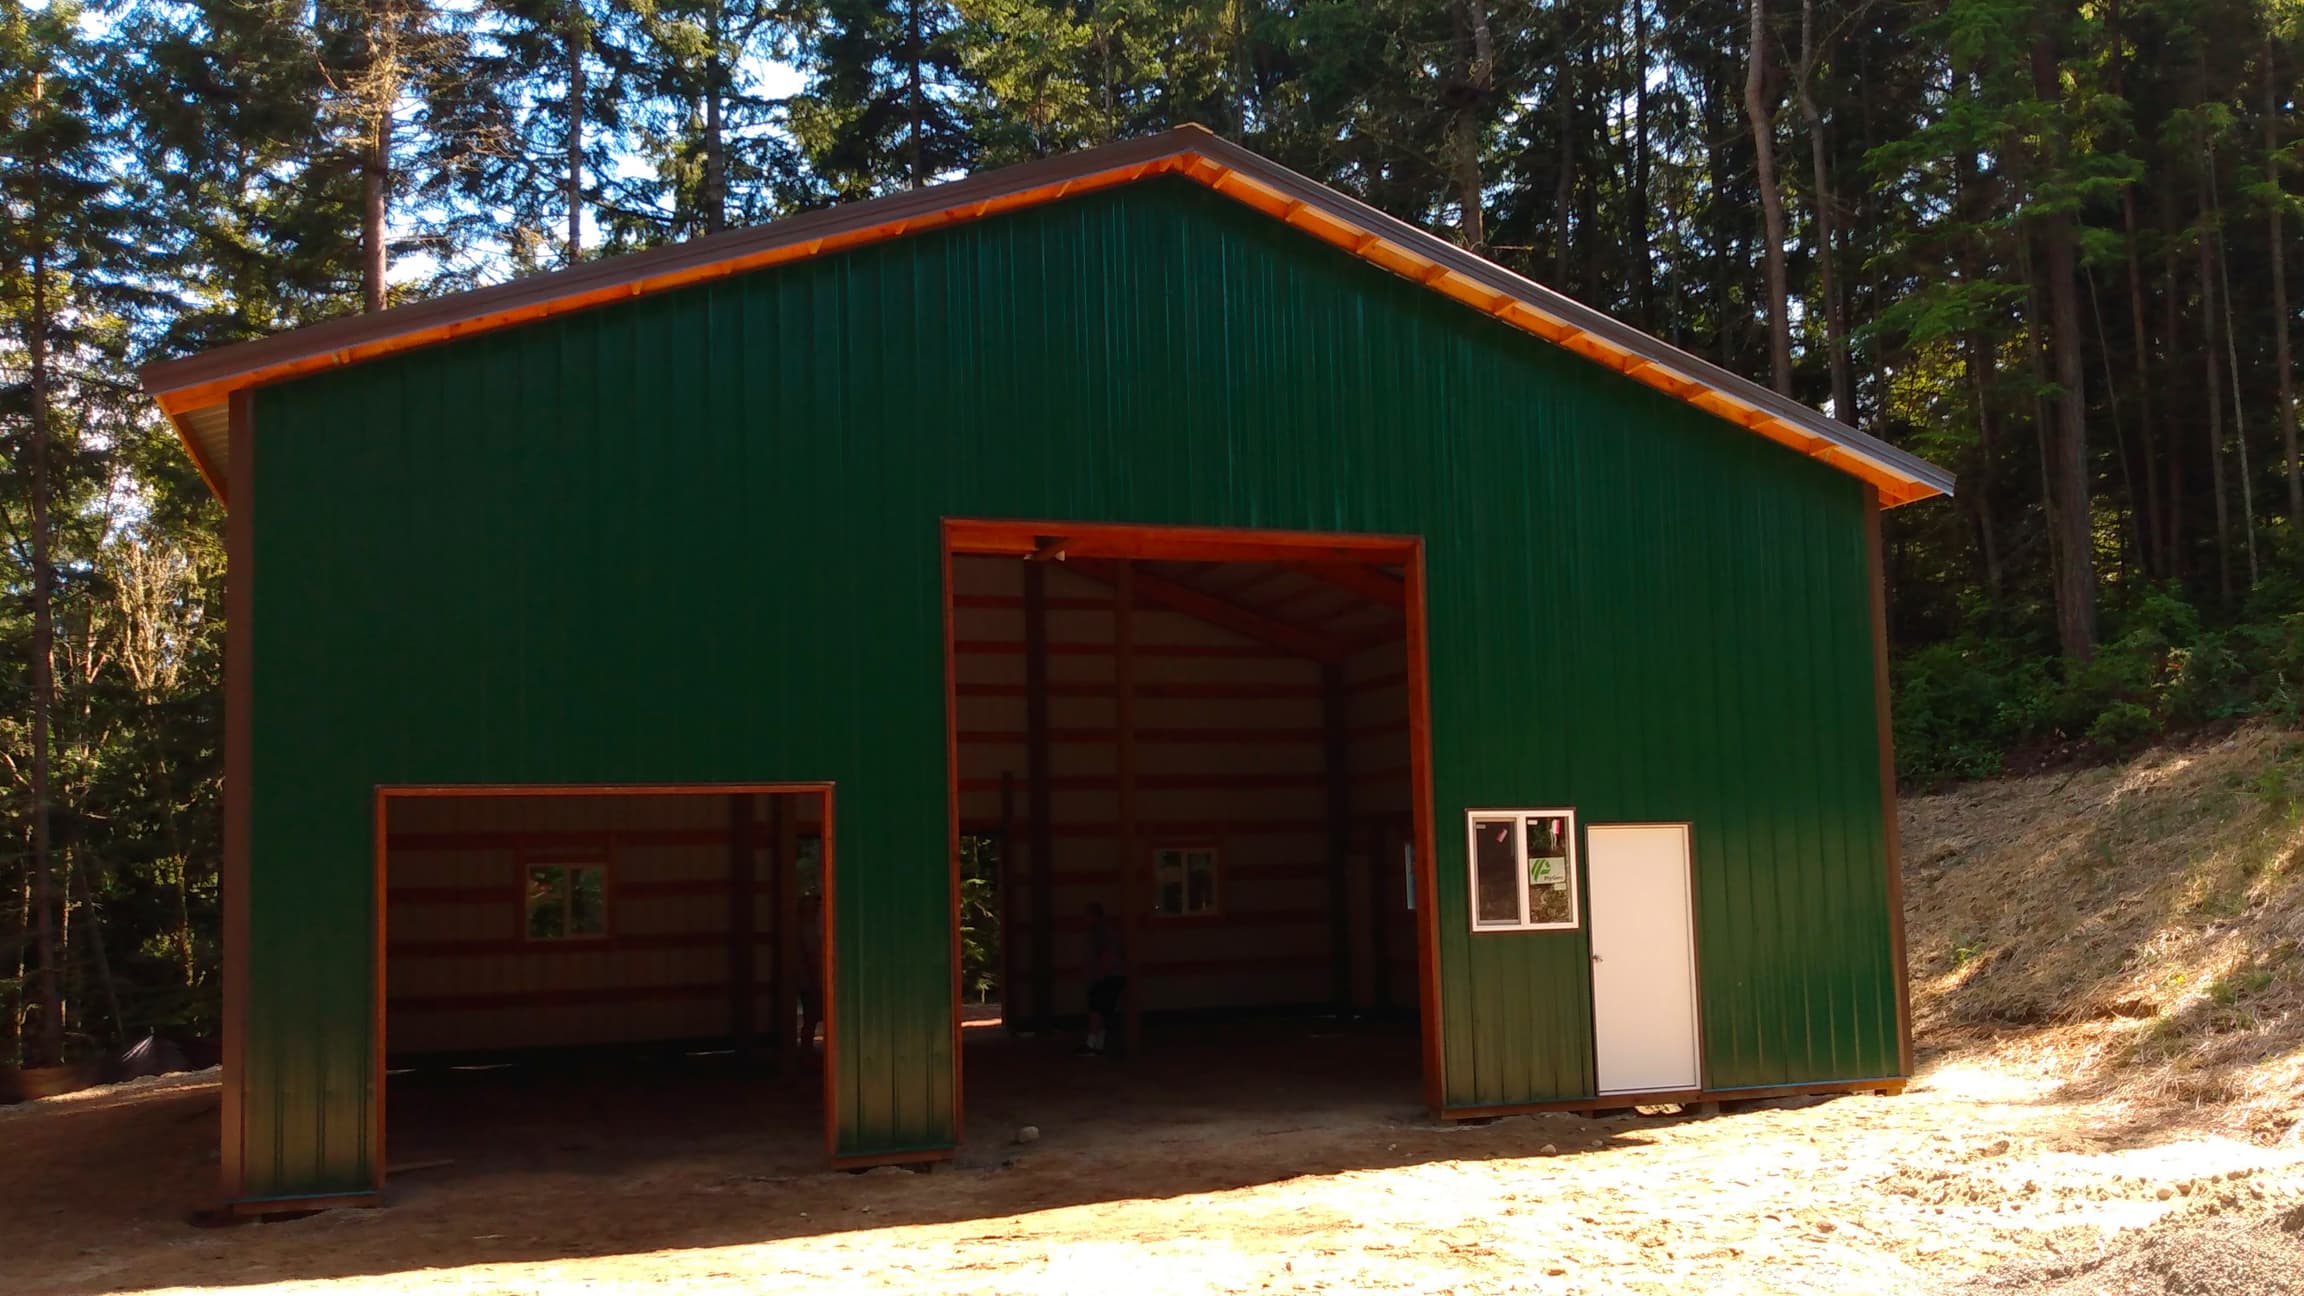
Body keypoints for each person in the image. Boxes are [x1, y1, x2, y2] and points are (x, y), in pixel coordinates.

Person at [1082, 901, 1127, 1055]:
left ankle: (1092, 1044)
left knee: (1096, 1009)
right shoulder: (1104, 930)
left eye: (1087, 915)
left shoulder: (1100, 931)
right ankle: (1098, 1045)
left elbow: (1107, 954)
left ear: (1093, 916)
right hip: (1112, 975)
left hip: (1107, 976)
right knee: (1100, 1010)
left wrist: (1099, 976)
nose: (1084, 919)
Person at [795, 892, 824, 1056]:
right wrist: (817, 980)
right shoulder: (808, 929)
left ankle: (806, 1049)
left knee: (810, 1017)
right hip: (812, 981)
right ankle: (806, 1051)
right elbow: (811, 956)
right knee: (812, 1017)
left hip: (806, 980)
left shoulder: (803, 927)